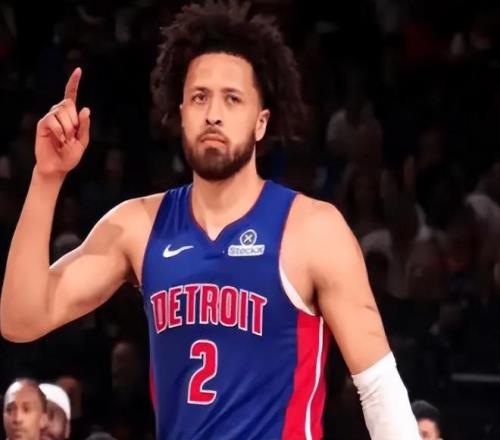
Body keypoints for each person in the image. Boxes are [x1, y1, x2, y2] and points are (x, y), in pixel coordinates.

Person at [0, 1, 421, 438]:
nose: (213, 114)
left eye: (232, 99)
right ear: (181, 111)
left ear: (260, 123)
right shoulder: (138, 226)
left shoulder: (313, 229)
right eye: (199, 97)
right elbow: (20, 318)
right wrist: (47, 177)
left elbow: (379, 389)